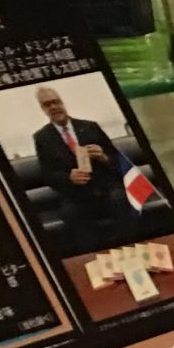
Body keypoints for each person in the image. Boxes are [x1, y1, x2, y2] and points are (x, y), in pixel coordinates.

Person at [30, 84, 136, 243]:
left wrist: (103, 157)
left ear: (62, 102)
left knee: (119, 198)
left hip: (105, 187)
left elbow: (117, 158)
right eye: (47, 104)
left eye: (56, 102)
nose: (53, 107)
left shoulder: (90, 127)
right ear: (42, 109)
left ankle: (131, 244)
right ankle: (94, 252)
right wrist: (69, 178)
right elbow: (48, 174)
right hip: (76, 195)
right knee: (70, 213)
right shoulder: (42, 138)